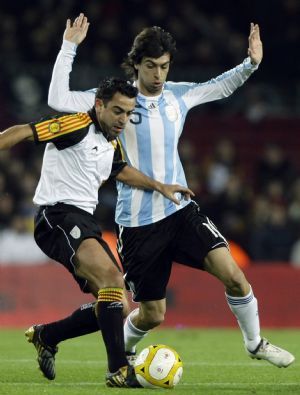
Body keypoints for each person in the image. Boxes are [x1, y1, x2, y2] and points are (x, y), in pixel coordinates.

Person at [44, 13, 295, 374]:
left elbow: (220, 86)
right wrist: (69, 47)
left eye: (163, 66)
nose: (158, 75)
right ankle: (121, 358)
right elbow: (57, 98)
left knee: (235, 275)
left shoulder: (179, 95)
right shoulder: (117, 102)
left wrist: (250, 64)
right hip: (138, 224)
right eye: (150, 66)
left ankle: (255, 343)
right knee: (151, 314)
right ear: (137, 65)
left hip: (180, 210)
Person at [0, 76, 194, 388]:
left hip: (82, 220)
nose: (123, 120)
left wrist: (159, 186)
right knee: (113, 281)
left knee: (118, 305)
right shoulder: (74, 125)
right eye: (117, 111)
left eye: (129, 113)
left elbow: (121, 170)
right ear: (99, 105)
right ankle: (118, 370)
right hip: (56, 215)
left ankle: (47, 336)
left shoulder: (111, 142)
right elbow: (24, 131)